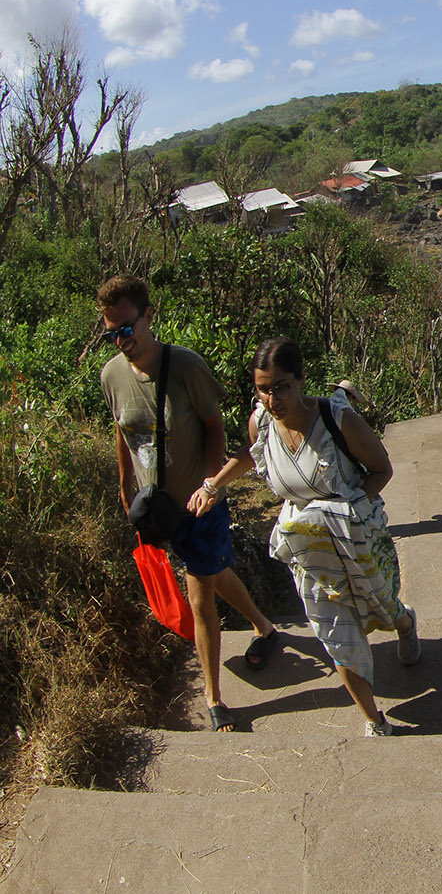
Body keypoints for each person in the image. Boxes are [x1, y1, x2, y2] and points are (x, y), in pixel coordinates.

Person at [196, 337, 421, 738]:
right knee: (335, 632)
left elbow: (381, 469)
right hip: (309, 552)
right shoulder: (261, 421)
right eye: (263, 388)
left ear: (301, 379)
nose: (272, 398)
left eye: (281, 386)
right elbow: (253, 453)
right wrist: (213, 486)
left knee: (382, 609)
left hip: (355, 539)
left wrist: (350, 507)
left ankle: (405, 624)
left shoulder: (337, 420)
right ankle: (375, 721)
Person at [97, 276, 279, 734]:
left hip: (201, 505)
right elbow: (123, 432)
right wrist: (124, 488)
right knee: (213, 572)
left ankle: (214, 698)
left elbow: (214, 425)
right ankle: (264, 627)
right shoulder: (112, 376)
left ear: (148, 317)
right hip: (159, 510)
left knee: (199, 597)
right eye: (111, 333)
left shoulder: (184, 366)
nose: (121, 341)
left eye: (126, 328)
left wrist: (211, 483)